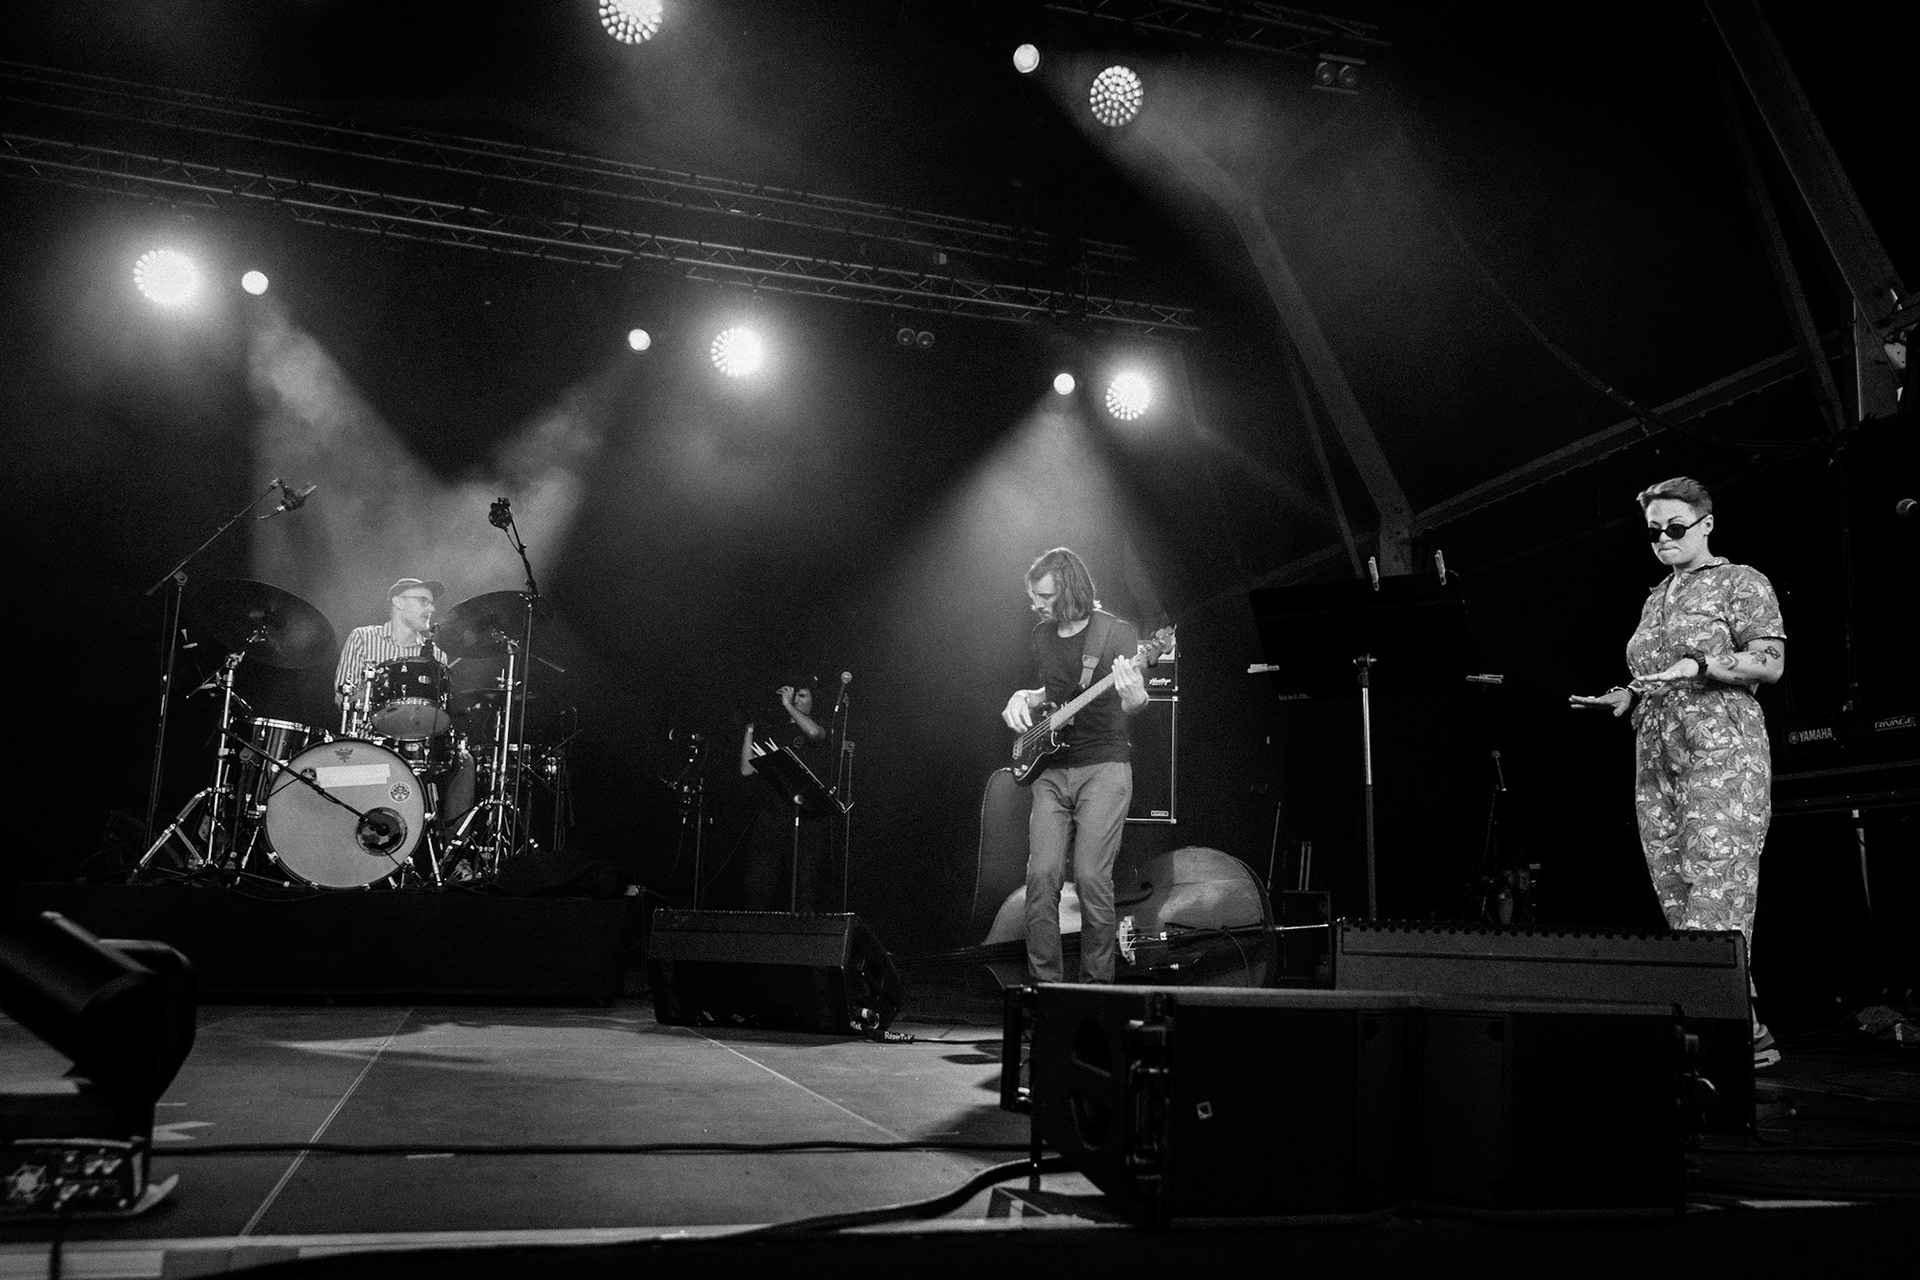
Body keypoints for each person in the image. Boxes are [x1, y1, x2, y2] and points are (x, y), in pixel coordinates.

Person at [1570, 477, 1787, 1068]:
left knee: (1716, 889)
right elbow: (1655, 675)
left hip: (1721, 746)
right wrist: (1627, 695)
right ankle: (1746, 1028)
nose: (1663, 539)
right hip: (1657, 751)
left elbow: (1770, 662)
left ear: (1705, 524)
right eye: (1653, 531)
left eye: (1674, 527)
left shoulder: (1741, 581)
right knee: (1677, 890)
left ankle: (1718, 1034)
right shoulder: (1656, 597)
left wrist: (1700, 663)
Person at [1001, 548, 1147, 984]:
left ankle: (1096, 990)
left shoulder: (1116, 633)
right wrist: (1024, 696)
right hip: (1050, 770)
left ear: (1069, 590)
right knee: (1041, 876)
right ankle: (1044, 987)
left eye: (1044, 597)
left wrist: (1135, 696)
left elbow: (1133, 701)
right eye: (1033, 597)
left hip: (1103, 767)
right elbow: (1055, 690)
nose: (1037, 605)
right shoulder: (1042, 636)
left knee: (1090, 877)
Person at [332, 577, 474, 839]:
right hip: (370, 738)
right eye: (423, 601)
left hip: (420, 741)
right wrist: (377, 691)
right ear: (398, 602)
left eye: (431, 603)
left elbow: (441, 707)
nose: (431, 609)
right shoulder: (363, 637)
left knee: (464, 761)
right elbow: (343, 697)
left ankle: (453, 850)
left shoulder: (436, 654)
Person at [739, 680, 831, 911]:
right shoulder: (775, 731)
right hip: (770, 818)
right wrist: (749, 727)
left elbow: (814, 733)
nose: (795, 700)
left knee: (803, 887)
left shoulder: (817, 728)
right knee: (756, 887)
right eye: (792, 696)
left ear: (813, 701)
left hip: (804, 819)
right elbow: (747, 769)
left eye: (801, 695)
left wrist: (788, 706)